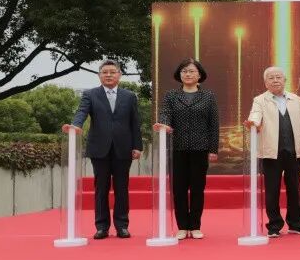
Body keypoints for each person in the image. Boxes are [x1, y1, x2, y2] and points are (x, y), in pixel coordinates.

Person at [68, 59, 142, 240]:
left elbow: (135, 123)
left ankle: (122, 226)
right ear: (99, 75)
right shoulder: (90, 95)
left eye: (112, 72)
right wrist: (75, 126)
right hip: (99, 148)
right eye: (105, 72)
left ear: (119, 75)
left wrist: (137, 146)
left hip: (123, 149)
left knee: (121, 188)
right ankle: (101, 227)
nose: (108, 75)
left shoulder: (129, 96)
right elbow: (81, 113)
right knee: (101, 188)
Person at [156, 58, 219, 240]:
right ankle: (182, 226)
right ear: (179, 75)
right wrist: (164, 125)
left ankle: (195, 225)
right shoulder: (170, 96)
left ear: (199, 75)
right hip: (178, 148)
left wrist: (213, 149)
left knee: (198, 188)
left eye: (192, 71)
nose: (188, 74)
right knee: (179, 189)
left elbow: (213, 124)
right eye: (184, 71)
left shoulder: (208, 96)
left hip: (201, 148)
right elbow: (165, 114)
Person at [245, 66, 300, 238]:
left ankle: (296, 224)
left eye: (278, 77)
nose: (275, 80)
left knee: (294, 190)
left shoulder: (296, 100)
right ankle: (274, 225)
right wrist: (253, 123)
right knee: (272, 191)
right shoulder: (260, 100)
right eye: (271, 78)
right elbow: (255, 116)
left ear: (285, 80)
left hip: (293, 152)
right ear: (265, 82)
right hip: (270, 153)